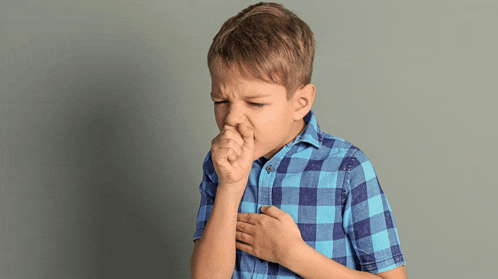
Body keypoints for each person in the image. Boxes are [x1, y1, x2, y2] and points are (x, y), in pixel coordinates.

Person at [190, 2, 406, 278]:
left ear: (301, 102)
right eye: (221, 101)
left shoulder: (347, 168)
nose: (232, 119)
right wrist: (230, 187)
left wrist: (291, 253)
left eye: (255, 103)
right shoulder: (219, 165)